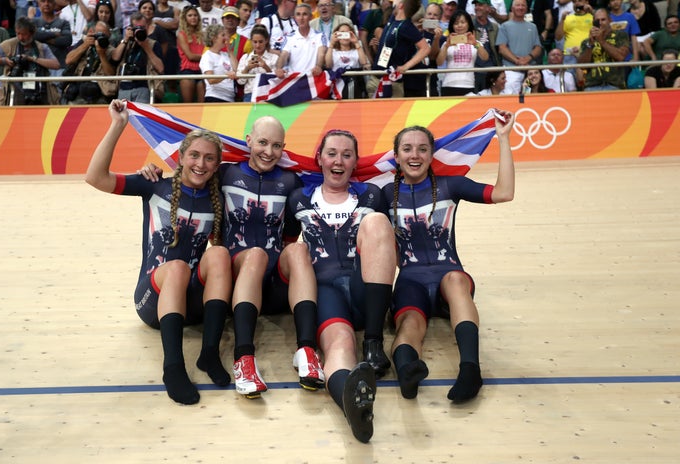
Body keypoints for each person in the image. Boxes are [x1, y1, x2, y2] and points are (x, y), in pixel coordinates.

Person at [141, 115, 326, 398]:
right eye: (262, 142)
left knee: (298, 249)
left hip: (273, 286)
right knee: (255, 255)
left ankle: (307, 351)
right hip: (236, 278)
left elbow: (290, 234)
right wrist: (150, 170)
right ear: (248, 141)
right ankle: (244, 359)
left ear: (284, 148)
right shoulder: (225, 174)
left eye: (277, 146)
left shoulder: (291, 181)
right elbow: (191, 176)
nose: (268, 151)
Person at [86, 99, 232, 406]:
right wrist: (117, 126)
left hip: (193, 304)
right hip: (151, 301)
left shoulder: (219, 198)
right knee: (177, 267)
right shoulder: (154, 185)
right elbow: (95, 177)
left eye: (209, 159)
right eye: (194, 155)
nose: (200, 164)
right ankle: (173, 367)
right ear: (179, 157)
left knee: (218, 255)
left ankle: (208, 354)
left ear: (217, 166)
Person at [382, 109, 515, 403]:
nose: (414, 155)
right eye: (407, 149)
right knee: (409, 326)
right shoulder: (382, 195)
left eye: (422, 149)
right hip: (410, 282)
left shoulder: (449, 185)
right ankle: (407, 373)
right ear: (396, 156)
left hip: (449, 279)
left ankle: (471, 370)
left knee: (456, 280)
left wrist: (503, 139)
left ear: (432, 155)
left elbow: (504, 193)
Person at [285, 129, 398, 442]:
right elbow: (286, 247)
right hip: (326, 292)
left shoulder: (373, 195)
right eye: (331, 153)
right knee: (340, 345)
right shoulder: (298, 198)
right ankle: (352, 406)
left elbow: (389, 248)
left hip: (366, 289)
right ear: (319, 158)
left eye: (346, 154)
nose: (338, 160)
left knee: (376, 222)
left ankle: (374, 342)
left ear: (355, 162)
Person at [0, 16, 61, 105]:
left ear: (32, 33)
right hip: (15, 90)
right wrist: (5, 60)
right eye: (18, 33)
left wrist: (32, 59)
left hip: (39, 90)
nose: (20, 37)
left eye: (24, 34)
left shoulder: (41, 47)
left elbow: (56, 65)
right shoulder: (10, 44)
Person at [366, 0, 430, 98]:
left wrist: (405, 66)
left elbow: (425, 48)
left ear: (401, 5)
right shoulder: (393, 18)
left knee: (392, 113)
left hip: (392, 82)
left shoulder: (407, 26)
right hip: (376, 77)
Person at [112, 12, 165, 102]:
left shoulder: (153, 44)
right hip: (124, 88)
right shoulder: (125, 42)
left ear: (147, 28)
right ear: (131, 29)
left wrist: (146, 47)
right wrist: (125, 40)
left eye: (142, 28)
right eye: (137, 28)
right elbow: (115, 57)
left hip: (143, 88)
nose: (140, 31)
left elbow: (161, 69)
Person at [62, 21, 118, 104]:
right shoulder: (85, 44)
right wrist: (86, 45)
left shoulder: (112, 50)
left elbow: (111, 75)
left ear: (109, 36)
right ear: (92, 32)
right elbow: (68, 60)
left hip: (100, 93)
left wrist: (102, 54)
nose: (101, 38)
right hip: (79, 91)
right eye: (99, 35)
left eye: (105, 36)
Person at [437, 10, 490, 96]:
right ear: (452, 26)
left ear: (468, 24)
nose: (459, 25)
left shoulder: (475, 43)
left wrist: (475, 44)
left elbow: (485, 57)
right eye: (456, 23)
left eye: (463, 22)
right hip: (449, 84)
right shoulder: (447, 43)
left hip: (468, 84)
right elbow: (439, 62)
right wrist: (446, 46)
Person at [577, 8, 630, 91]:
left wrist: (602, 41)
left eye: (603, 20)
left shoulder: (620, 35)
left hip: (614, 85)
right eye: (597, 20)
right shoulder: (586, 42)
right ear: (593, 22)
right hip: (591, 86)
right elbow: (582, 66)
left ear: (610, 20)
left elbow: (621, 57)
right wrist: (590, 45)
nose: (600, 23)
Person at [497, 0, 543, 94]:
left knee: (528, 99)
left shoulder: (533, 27)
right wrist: (517, 61)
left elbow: (538, 47)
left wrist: (528, 58)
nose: (520, 7)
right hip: (511, 72)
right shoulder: (504, 26)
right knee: (511, 100)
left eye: (523, 5)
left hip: (530, 73)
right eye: (517, 5)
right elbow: (502, 48)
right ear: (512, 8)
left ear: (526, 8)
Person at [274, 3, 327, 79]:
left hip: (313, 80)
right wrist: (278, 69)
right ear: (295, 18)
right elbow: (283, 55)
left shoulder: (320, 36)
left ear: (311, 17)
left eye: (304, 14)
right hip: (294, 81)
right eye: (298, 14)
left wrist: (318, 66)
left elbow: (321, 54)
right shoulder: (289, 38)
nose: (301, 18)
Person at [324, 23, 370, 98]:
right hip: (337, 86)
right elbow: (328, 65)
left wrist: (356, 42)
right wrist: (331, 44)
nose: (344, 36)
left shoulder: (356, 50)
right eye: (341, 33)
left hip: (354, 85)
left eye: (347, 33)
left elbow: (364, 62)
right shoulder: (333, 51)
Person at [237, 24, 279, 101]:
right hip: (249, 95)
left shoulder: (274, 58)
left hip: (267, 95)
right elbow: (240, 82)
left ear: (266, 41)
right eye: (255, 42)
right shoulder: (245, 57)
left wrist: (266, 67)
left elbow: (276, 81)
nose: (257, 45)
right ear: (251, 41)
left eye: (260, 42)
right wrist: (247, 68)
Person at [199, 23, 239, 102]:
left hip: (230, 98)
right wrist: (226, 75)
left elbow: (237, 70)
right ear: (214, 38)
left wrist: (230, 51)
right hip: (215, 97)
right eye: (223, 35)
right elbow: (211, 80)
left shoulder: (225, 55)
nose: (226, 38)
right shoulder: (207, 56)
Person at [34, 0, 73, 76]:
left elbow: (67, 40)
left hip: (59, 66)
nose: (46, 4)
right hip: (37, 66)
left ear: (55, 3)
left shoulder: (63, 23)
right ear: (38, 3)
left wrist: (43, 38)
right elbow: (33, 36)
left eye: (50, 1)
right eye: (43, 1)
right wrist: (54, 34)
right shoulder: (33, 22)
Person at [177, 4, 206, 103]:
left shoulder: (203, 35)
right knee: (188, 106)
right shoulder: (182, 34)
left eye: (195, 15)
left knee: (202, 106)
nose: (193, 17)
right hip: (188, 70)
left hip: (202, 70)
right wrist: (205, 57)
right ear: (185, 18)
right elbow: (190, 56)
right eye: (190, 15)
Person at [471, 0, 501, 93]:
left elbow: (498, 49)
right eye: (476, 5)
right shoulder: (469, 24)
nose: (477, 7)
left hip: (491, 71)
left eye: (480, 5)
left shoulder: (495, 27)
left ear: (488, 8)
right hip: (474, 70)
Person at [554, 0, 593, 64]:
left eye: (580, 1)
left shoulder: (593, 17)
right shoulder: (567, 18)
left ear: (586, 2)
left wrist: (591, 11)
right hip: (570, 54)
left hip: (588, 52)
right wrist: (562, 19)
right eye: (574, 1)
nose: (577, 3)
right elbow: (558, 37)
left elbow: (603, 29)